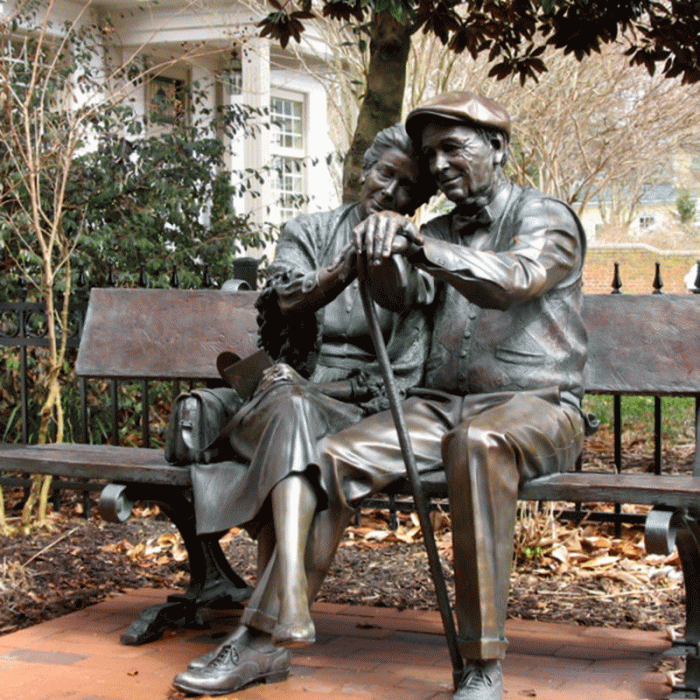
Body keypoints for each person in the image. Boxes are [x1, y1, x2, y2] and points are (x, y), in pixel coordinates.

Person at [315, 91, 593, 700]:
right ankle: (268, 632)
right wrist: (382, 248)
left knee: (476, 445)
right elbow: (398, 296)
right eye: (429, 153)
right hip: (441, 406)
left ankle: (482, 661)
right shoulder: (436, 228)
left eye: (452, 148)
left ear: (497, 147)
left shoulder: (547, 218)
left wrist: (419, 246)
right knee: (332, 456)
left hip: (539, 407)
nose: (437, 165)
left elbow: (515, 280)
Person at [172, 123, 436, 696]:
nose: (390, 191)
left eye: (406, 187)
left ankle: (265, 631)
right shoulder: (308, 230)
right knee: (291, 406)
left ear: (418, 201)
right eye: (384, 173)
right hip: (278, 397)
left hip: (352, 408)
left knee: (313, 447)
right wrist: (345, 266)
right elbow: (286, 296)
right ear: (363, 169)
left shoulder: (420, 259)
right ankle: (285, 605)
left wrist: (390, 259)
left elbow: (405, 374)